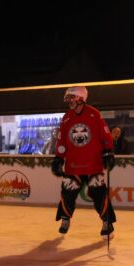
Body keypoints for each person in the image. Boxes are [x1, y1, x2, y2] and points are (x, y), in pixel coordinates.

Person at [50, 86, 116, 237]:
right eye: (68, 98)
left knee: (99, 194)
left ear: (81, 98)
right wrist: (58, 158)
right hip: (73, 166)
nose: (69, 101)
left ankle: (107, 222)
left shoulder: (94, 114)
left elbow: (105, 135)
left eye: (71, 97)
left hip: (93, 165)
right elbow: (62, 141)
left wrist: (108, 152)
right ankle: (65, 219)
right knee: (67, 193)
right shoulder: (67, 117)